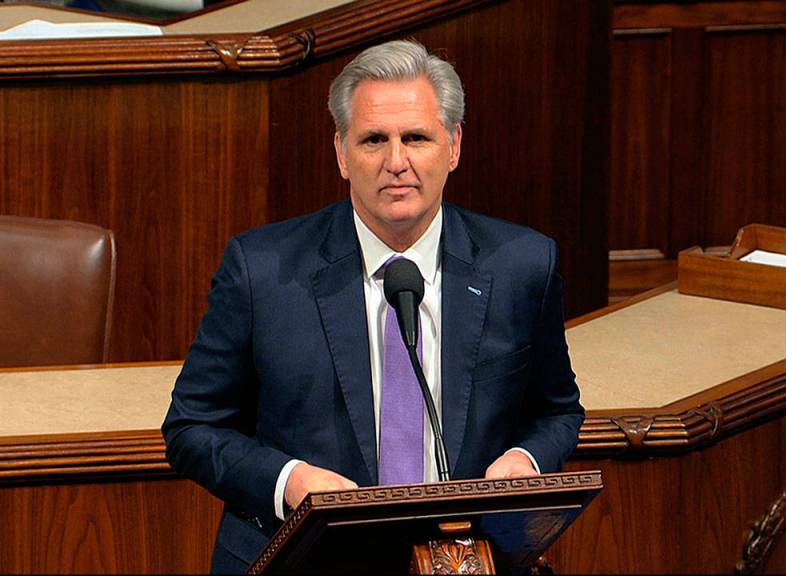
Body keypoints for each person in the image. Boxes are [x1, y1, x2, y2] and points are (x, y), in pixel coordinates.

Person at [162, 39, 584, 573]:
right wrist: (293, 481)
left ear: (453, 146)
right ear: (341, 153)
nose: (396, 162)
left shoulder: (522, 265)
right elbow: (192, 428)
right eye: (373, 140)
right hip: (303, 559)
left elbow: (556, 411)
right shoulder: (262, 270)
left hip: (462, 558)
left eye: (416, 137)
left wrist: (524, 461)